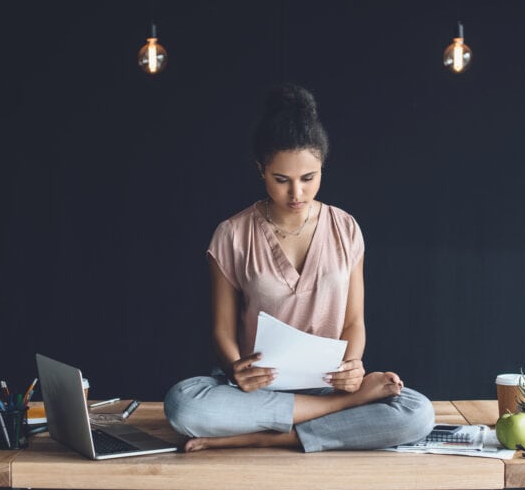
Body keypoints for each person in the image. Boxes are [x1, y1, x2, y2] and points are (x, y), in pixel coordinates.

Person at [164, 83, 434, 453]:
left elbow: (354, 321)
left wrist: (352, 366)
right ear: (260, 169)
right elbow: (222, 330)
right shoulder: (232, 234)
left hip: (326, 382)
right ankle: (338, 412)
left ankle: (265, 436)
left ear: (322, 166)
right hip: (257, 390)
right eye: (282, 180)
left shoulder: (346, 228)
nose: (297, 194)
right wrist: (235, 368)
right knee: (184, 403)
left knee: (417, 413)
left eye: (309, 178)